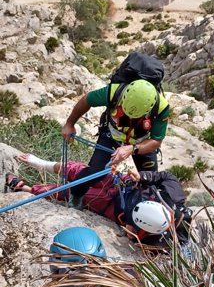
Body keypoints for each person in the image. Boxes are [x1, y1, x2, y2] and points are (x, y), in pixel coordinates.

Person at [5, 152, 192, 249]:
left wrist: (132, 234)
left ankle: (26, 189)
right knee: (84, 173)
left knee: (76, 193)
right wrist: (142, 176)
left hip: (114, 207)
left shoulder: (160, 239)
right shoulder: (173, 196)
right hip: (127, 184)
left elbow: (140, 242)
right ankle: (42, 164)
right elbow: (167, 176)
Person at [62, 77, 170, 207]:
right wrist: (70, 123)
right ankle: (76, 194)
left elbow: (156, 141)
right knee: (94, 173)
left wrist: (132, 148)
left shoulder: (161, 108)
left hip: (140, 141)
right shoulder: (114, 92)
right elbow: (87, 100)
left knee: (149, 180)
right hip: (112, 135)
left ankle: (142, 213)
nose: (129, 116)